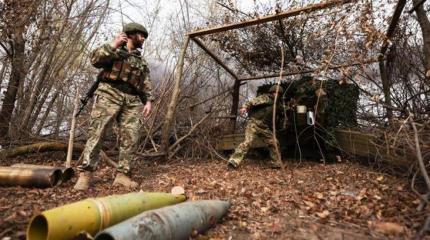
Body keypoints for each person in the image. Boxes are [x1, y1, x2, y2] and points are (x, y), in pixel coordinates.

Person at [74, 22, 154, 190]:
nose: (144, 39)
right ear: (131, 35)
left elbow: (145, 83)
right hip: (109, 93)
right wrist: (113, 44)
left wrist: (148, 100)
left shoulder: (141, 61)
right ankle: (86, 174)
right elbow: (95, 60)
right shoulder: (115, 50)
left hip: (132, 100)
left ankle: (123, 175)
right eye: (141, 36)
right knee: (98, 132)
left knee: (131, 137)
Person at [228, 85, 286, 169]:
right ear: (271, 92)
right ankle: (233, 162)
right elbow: (251, 102)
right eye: (274, 92)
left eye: (278, 93)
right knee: (247, 142)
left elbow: (283, 113)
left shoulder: (278, 105)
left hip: (264, 127)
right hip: (254, 124)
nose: (276, 94)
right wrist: (244, 108)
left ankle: (276, 164)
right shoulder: (265, 98)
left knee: (274, 143)